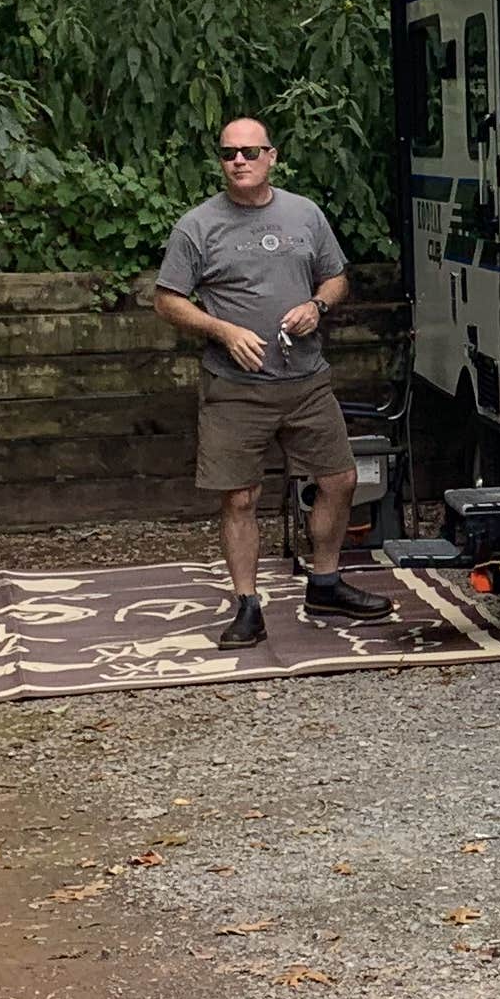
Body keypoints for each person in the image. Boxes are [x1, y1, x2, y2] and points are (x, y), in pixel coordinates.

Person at [153, 121, 390, 647]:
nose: (239, 160)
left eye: (249, 151)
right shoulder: (197, 226)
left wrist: (317, 305)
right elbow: (166, 299)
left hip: (305, 378)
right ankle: (247, 605)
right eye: (228, 153)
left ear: (271, 156)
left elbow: (337, 276)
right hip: (234, 385)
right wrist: (222, 330)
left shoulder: (304, 214)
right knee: (240, 496)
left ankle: (325, 583)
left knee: (340, 479)